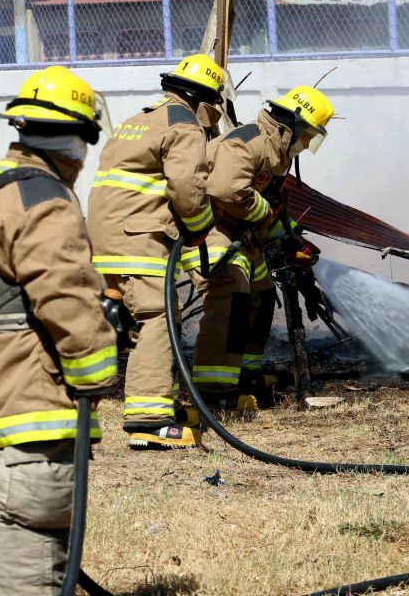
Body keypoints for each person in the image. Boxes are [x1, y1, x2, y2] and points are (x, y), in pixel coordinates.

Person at [0, 65, 118, 595]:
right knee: (34, 555)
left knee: (21, 529)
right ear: (78, 140)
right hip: (34, 398)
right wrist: (100, 371)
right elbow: (66, 295)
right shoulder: (43, 199)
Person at [88, 53, 224, 449]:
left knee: (143, 315)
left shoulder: (140, 120)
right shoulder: (185, 126)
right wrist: (201, 228)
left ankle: (160, 402)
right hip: (139, 235)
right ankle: (148, 421)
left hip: (109, 233)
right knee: (157, 316)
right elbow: (187, 187)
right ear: (203, 100)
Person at [189, 85, 333, 410]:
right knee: (231, 295)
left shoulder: (276, 153)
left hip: (243, 237)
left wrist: (291, 240)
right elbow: (226, 190)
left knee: (264, 296)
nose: (307, 143)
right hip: (212, 229)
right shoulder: (248, 142)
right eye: (307, 135)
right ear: (291, 125)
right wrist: (264, 212)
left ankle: (245, 376)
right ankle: (214, 390)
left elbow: (273, 207)